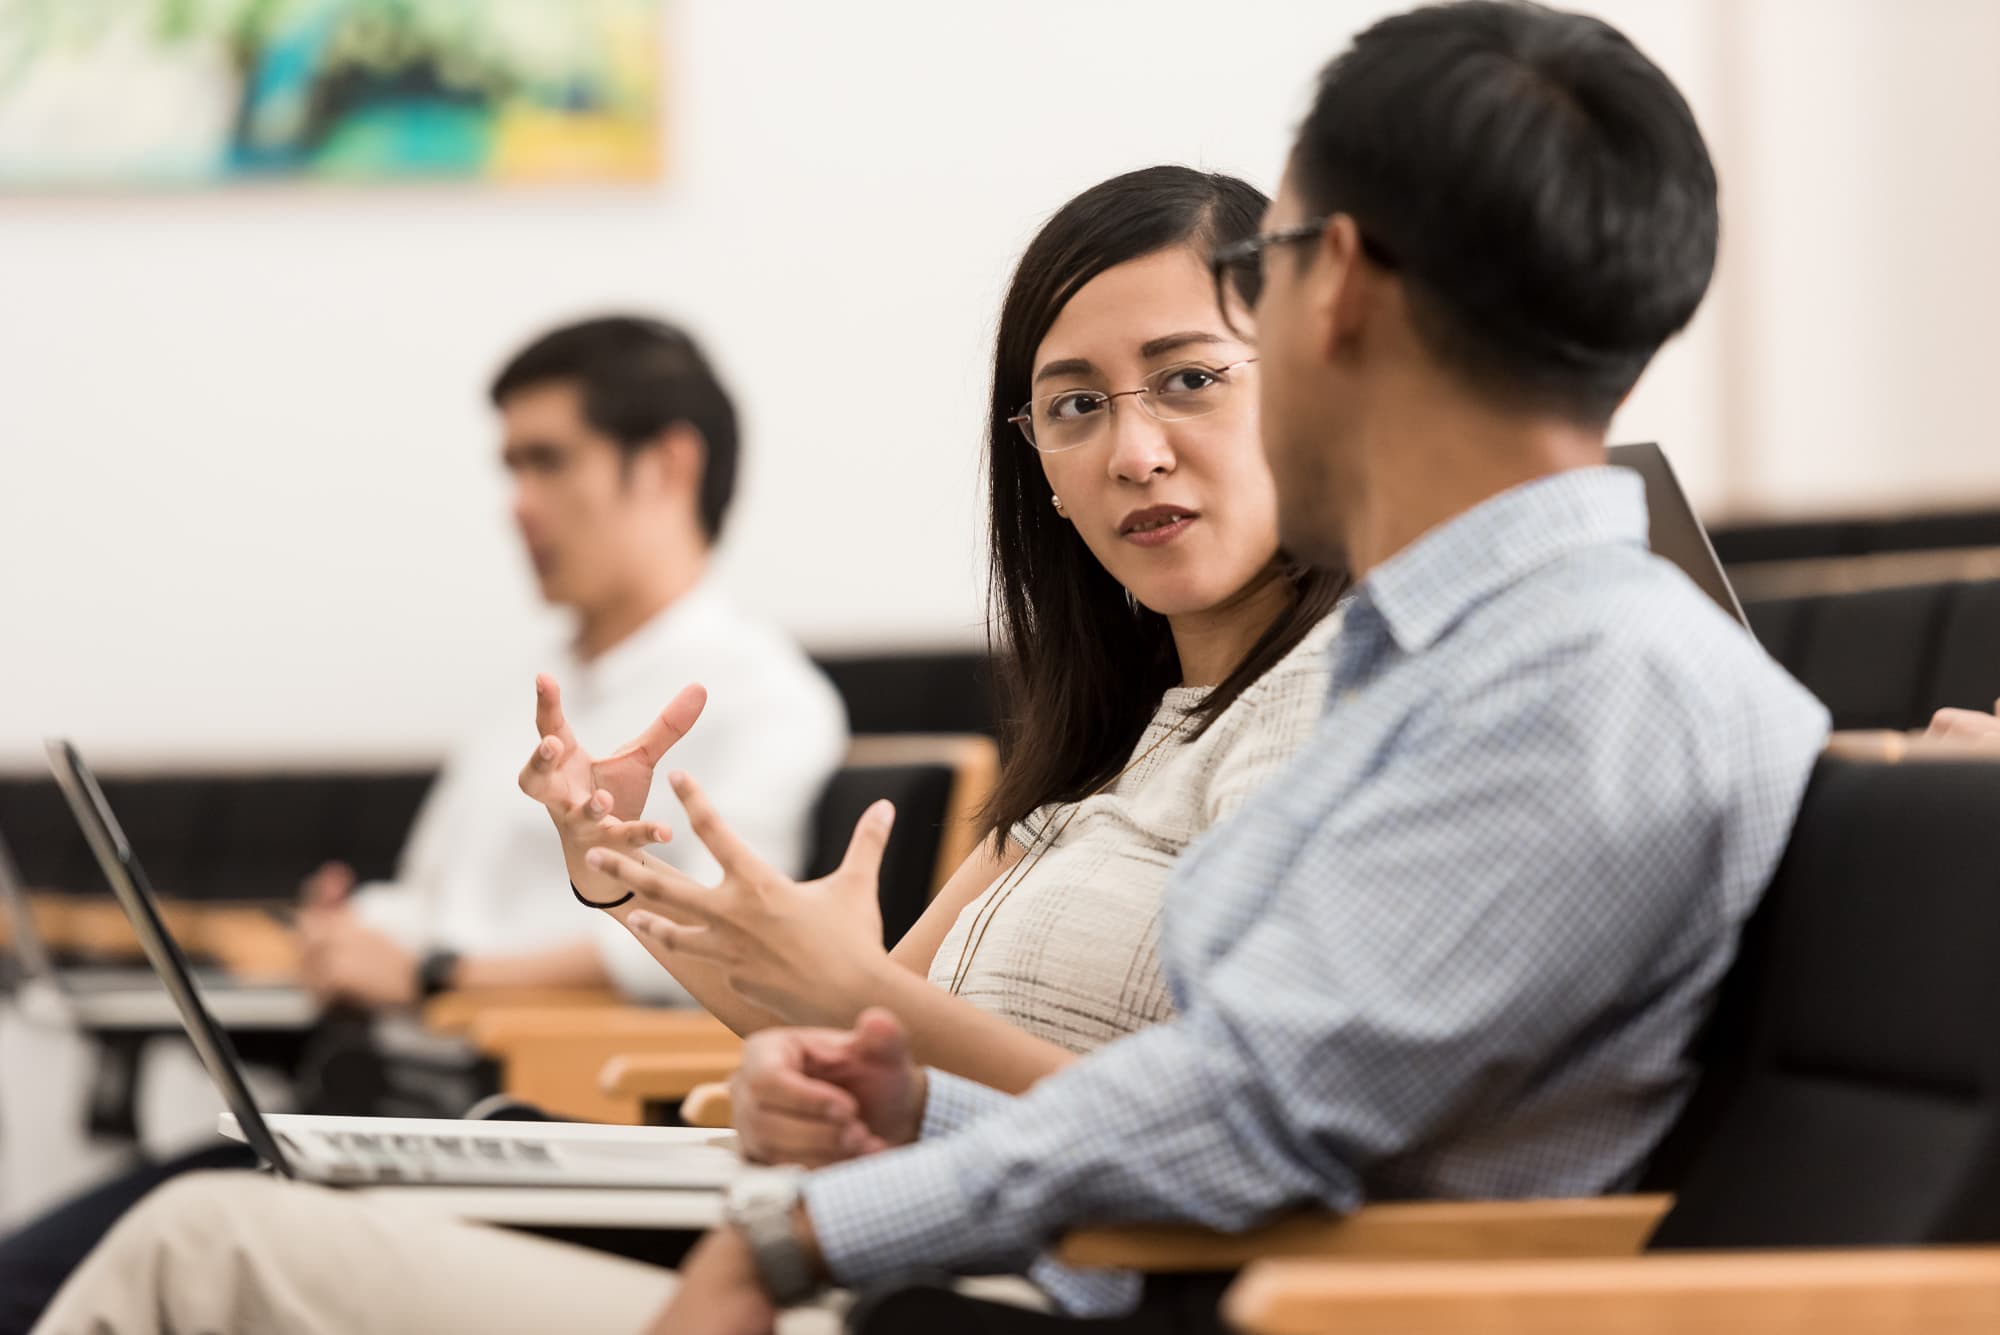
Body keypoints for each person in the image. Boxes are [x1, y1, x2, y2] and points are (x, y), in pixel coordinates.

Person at [30, 165, 1349, 1334]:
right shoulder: (1097, 752)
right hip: (866, 1241)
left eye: (1190, 379)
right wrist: (632, 885)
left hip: (950, 1281)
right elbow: (856, 1030)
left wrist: (846, 1043)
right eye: (1070, 407)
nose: (1133, 449)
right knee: (206, 1223)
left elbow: (1206, 1117)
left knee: (194, 1243)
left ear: (1301, 374)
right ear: (1037, 470)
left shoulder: (1345, 708)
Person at [0, 315, 848, 1335]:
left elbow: (724, 951)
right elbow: (432, 901)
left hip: (528, 1120)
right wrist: (357, 936)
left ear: (664, 463)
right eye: (508, 469)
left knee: (41, 1281)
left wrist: (437, 975)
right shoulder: (522, 710)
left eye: (546, 462)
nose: (517, 507)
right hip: (392, 1101)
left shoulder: (765, 700)